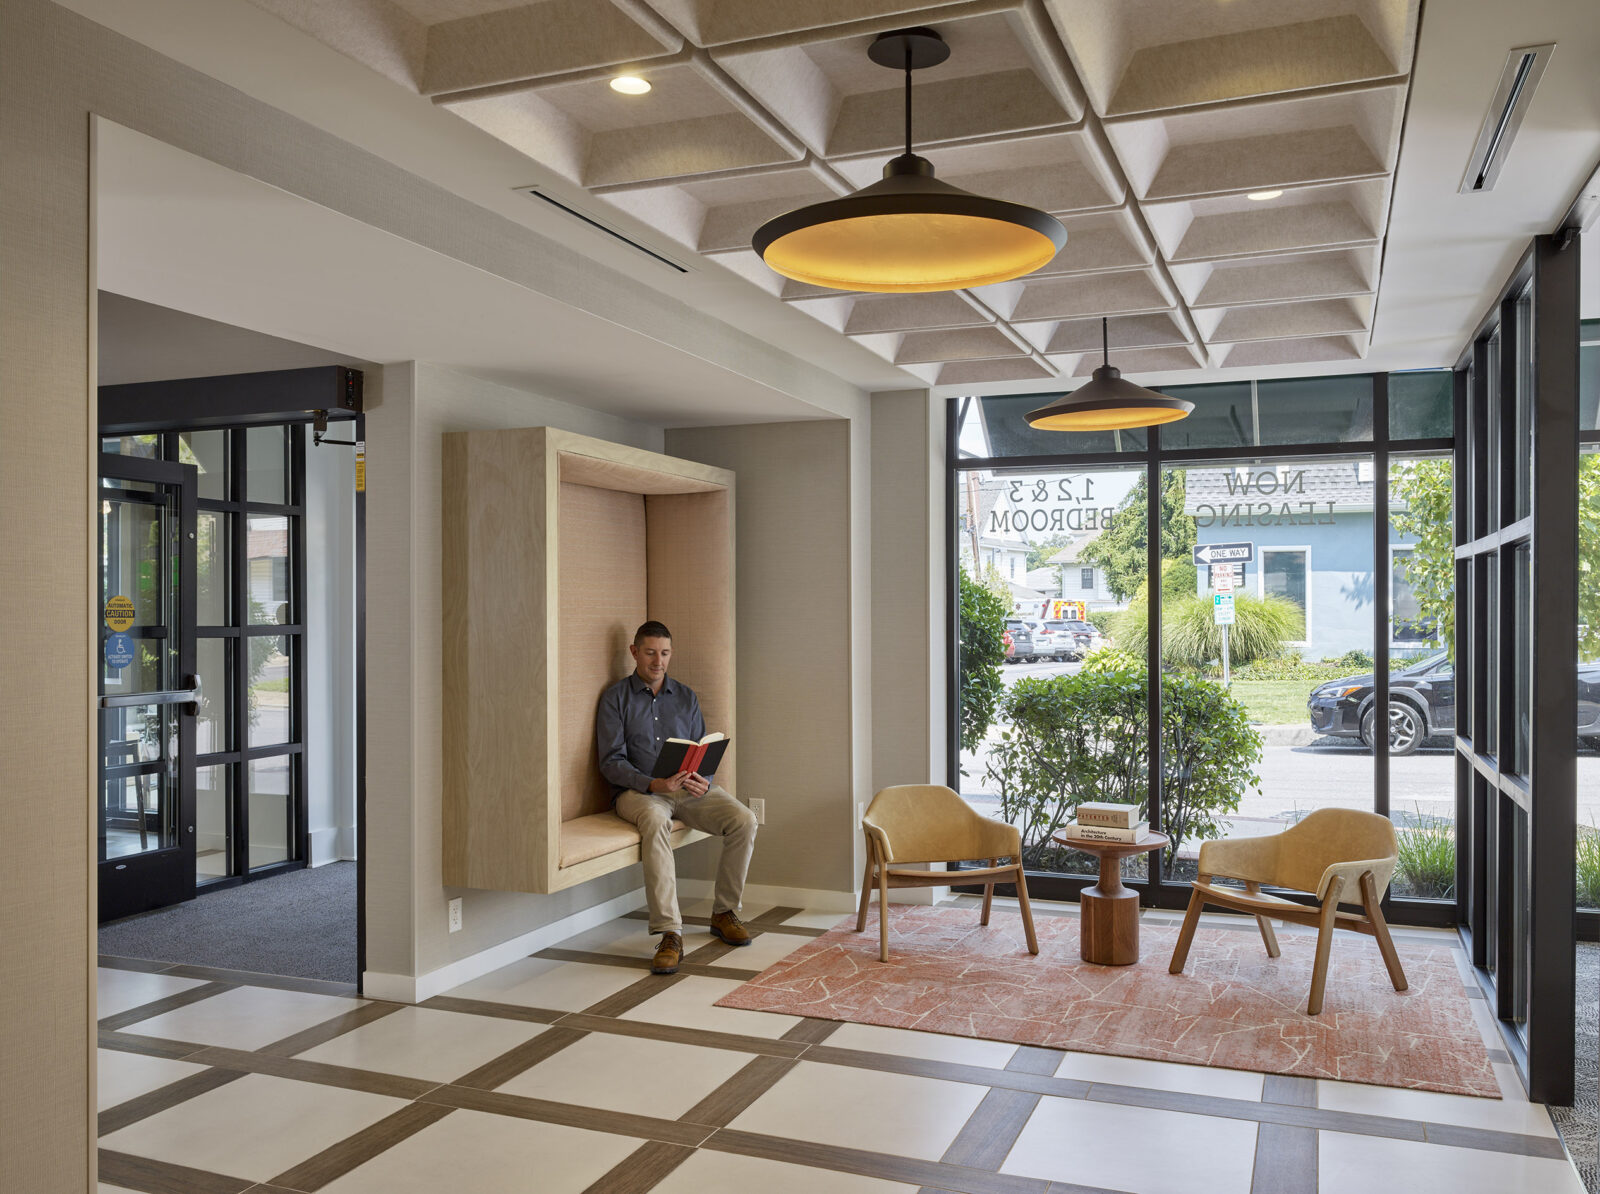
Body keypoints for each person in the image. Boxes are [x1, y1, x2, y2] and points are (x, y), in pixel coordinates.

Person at [597, 620, 758, 974]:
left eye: (665, 653)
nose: (658, 661)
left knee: (744, 820)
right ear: (634, 652)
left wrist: (704, 780)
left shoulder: (686, 697)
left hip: (688, 789)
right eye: (651, 652)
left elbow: (702, 748)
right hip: (639, 792)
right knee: (656, 821)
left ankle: (724, 912)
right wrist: (654, 784)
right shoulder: (615, 698)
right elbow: (611, 762)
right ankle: (669, 933)